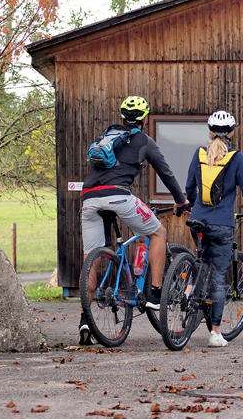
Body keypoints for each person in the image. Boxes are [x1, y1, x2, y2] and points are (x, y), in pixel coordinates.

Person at [80, 96, 189, 345]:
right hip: (118, 197)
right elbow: (166, 172)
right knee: (158, 232)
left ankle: (85, 320)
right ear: (145, 118)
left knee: (91, 256)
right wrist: (181, 201)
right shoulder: (143, 140)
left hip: (88, 200)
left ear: (122, 117)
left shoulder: (106, 136)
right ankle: (156, 293)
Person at [184, 110, 243, 348]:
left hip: (198, 221)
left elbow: (190, 188)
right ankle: (215, 333)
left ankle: (187, 295)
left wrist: (191, 205)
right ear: (232, 132)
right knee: (219, 277)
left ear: (209, 131)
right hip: (221, 224)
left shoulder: (199, 154)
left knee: (202, 261)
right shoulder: (236, 158)